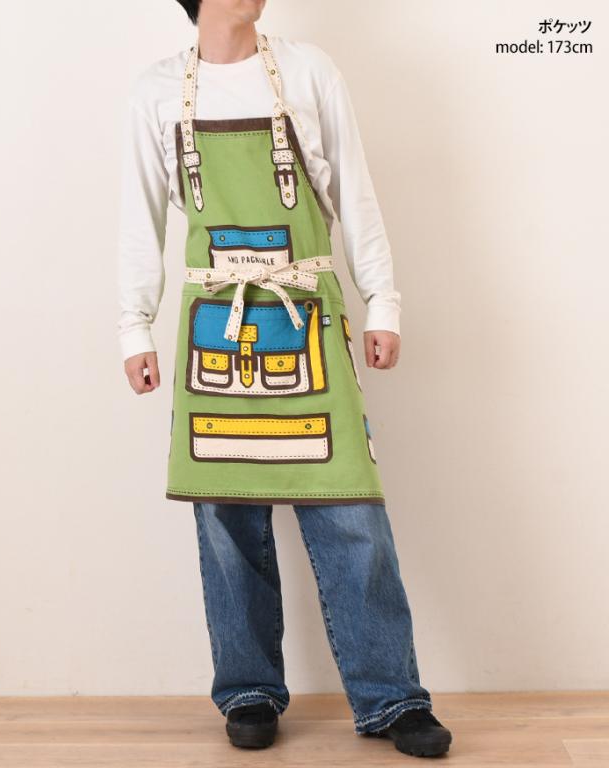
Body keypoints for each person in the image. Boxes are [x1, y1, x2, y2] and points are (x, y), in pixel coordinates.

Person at [116, 0, 453, 757]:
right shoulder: (156, 90)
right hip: (216, 326)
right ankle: (248, 690)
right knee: (225, 518)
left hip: (309, 314)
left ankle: (392, 698)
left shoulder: (307, 71)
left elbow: (355, 194)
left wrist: (383, 303)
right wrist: (133, 324)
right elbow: (141, 221)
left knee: (350, 512)